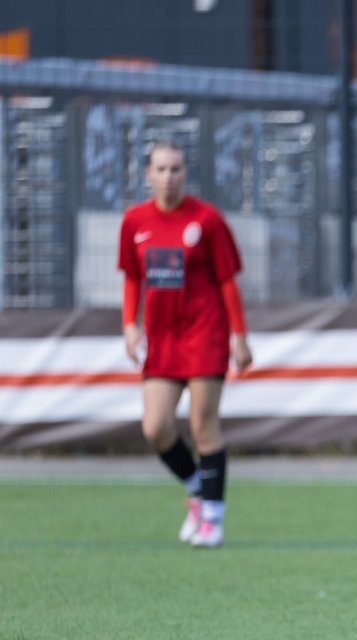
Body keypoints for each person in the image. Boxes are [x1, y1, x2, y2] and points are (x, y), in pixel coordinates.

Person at [118, 141, 252, 549]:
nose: (168, 177)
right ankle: (198, 489)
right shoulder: (134, 221)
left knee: (202, 426)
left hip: (204, 333)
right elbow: (131, 277)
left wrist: (239, 336)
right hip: (163, 339)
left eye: (176, 169)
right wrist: (129, 324)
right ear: (148, 174)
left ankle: (213, 518)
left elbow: (227, 281)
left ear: (184, 173)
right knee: (155, 427)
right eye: (161, 169)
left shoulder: (207, 220)